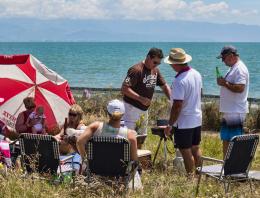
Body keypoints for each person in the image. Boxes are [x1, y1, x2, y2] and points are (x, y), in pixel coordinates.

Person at [164, 48, 202, 176]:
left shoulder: (179, 81)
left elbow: (177, 105)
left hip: (184, 121)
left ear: (175, 64)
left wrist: (170, 125)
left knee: (186, 151)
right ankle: (199, 176)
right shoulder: (196, 73)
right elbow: (200, 93)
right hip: (196, 117)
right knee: (196, 148)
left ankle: (191, 178)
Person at [121, 48, 171, 143]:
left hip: (144, 110)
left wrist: (173, 100)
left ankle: (137, 157)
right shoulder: (136, 70)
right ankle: (128, 157)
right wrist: (140, 98)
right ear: (148, 57)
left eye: (158, 63)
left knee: (141, 137)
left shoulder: (155, 70)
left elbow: (164, 86)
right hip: (131, 108)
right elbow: (124, 88)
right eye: (155, 62)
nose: (156, 65)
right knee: (129, 138)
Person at [216, 45, 249, 158]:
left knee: (234, 141)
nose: (222, 61)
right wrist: (223, 82)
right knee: (226, 139)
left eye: (223, 58)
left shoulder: (240, 68)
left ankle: (235, 168)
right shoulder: (233, 68)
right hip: (230, 111)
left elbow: (240, 88)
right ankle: (227, 166)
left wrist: (224, 83)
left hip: (235, 111)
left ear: (231, 56)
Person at [55, 104, 86, 172]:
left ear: (79, 116)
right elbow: (60, 135)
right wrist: (54, 138)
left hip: (73, 154)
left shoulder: (80, 126)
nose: (71, 116)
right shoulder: (67, 124)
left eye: (74, 115)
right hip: (63, 153)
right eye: (70, 114)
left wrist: (68, 139)